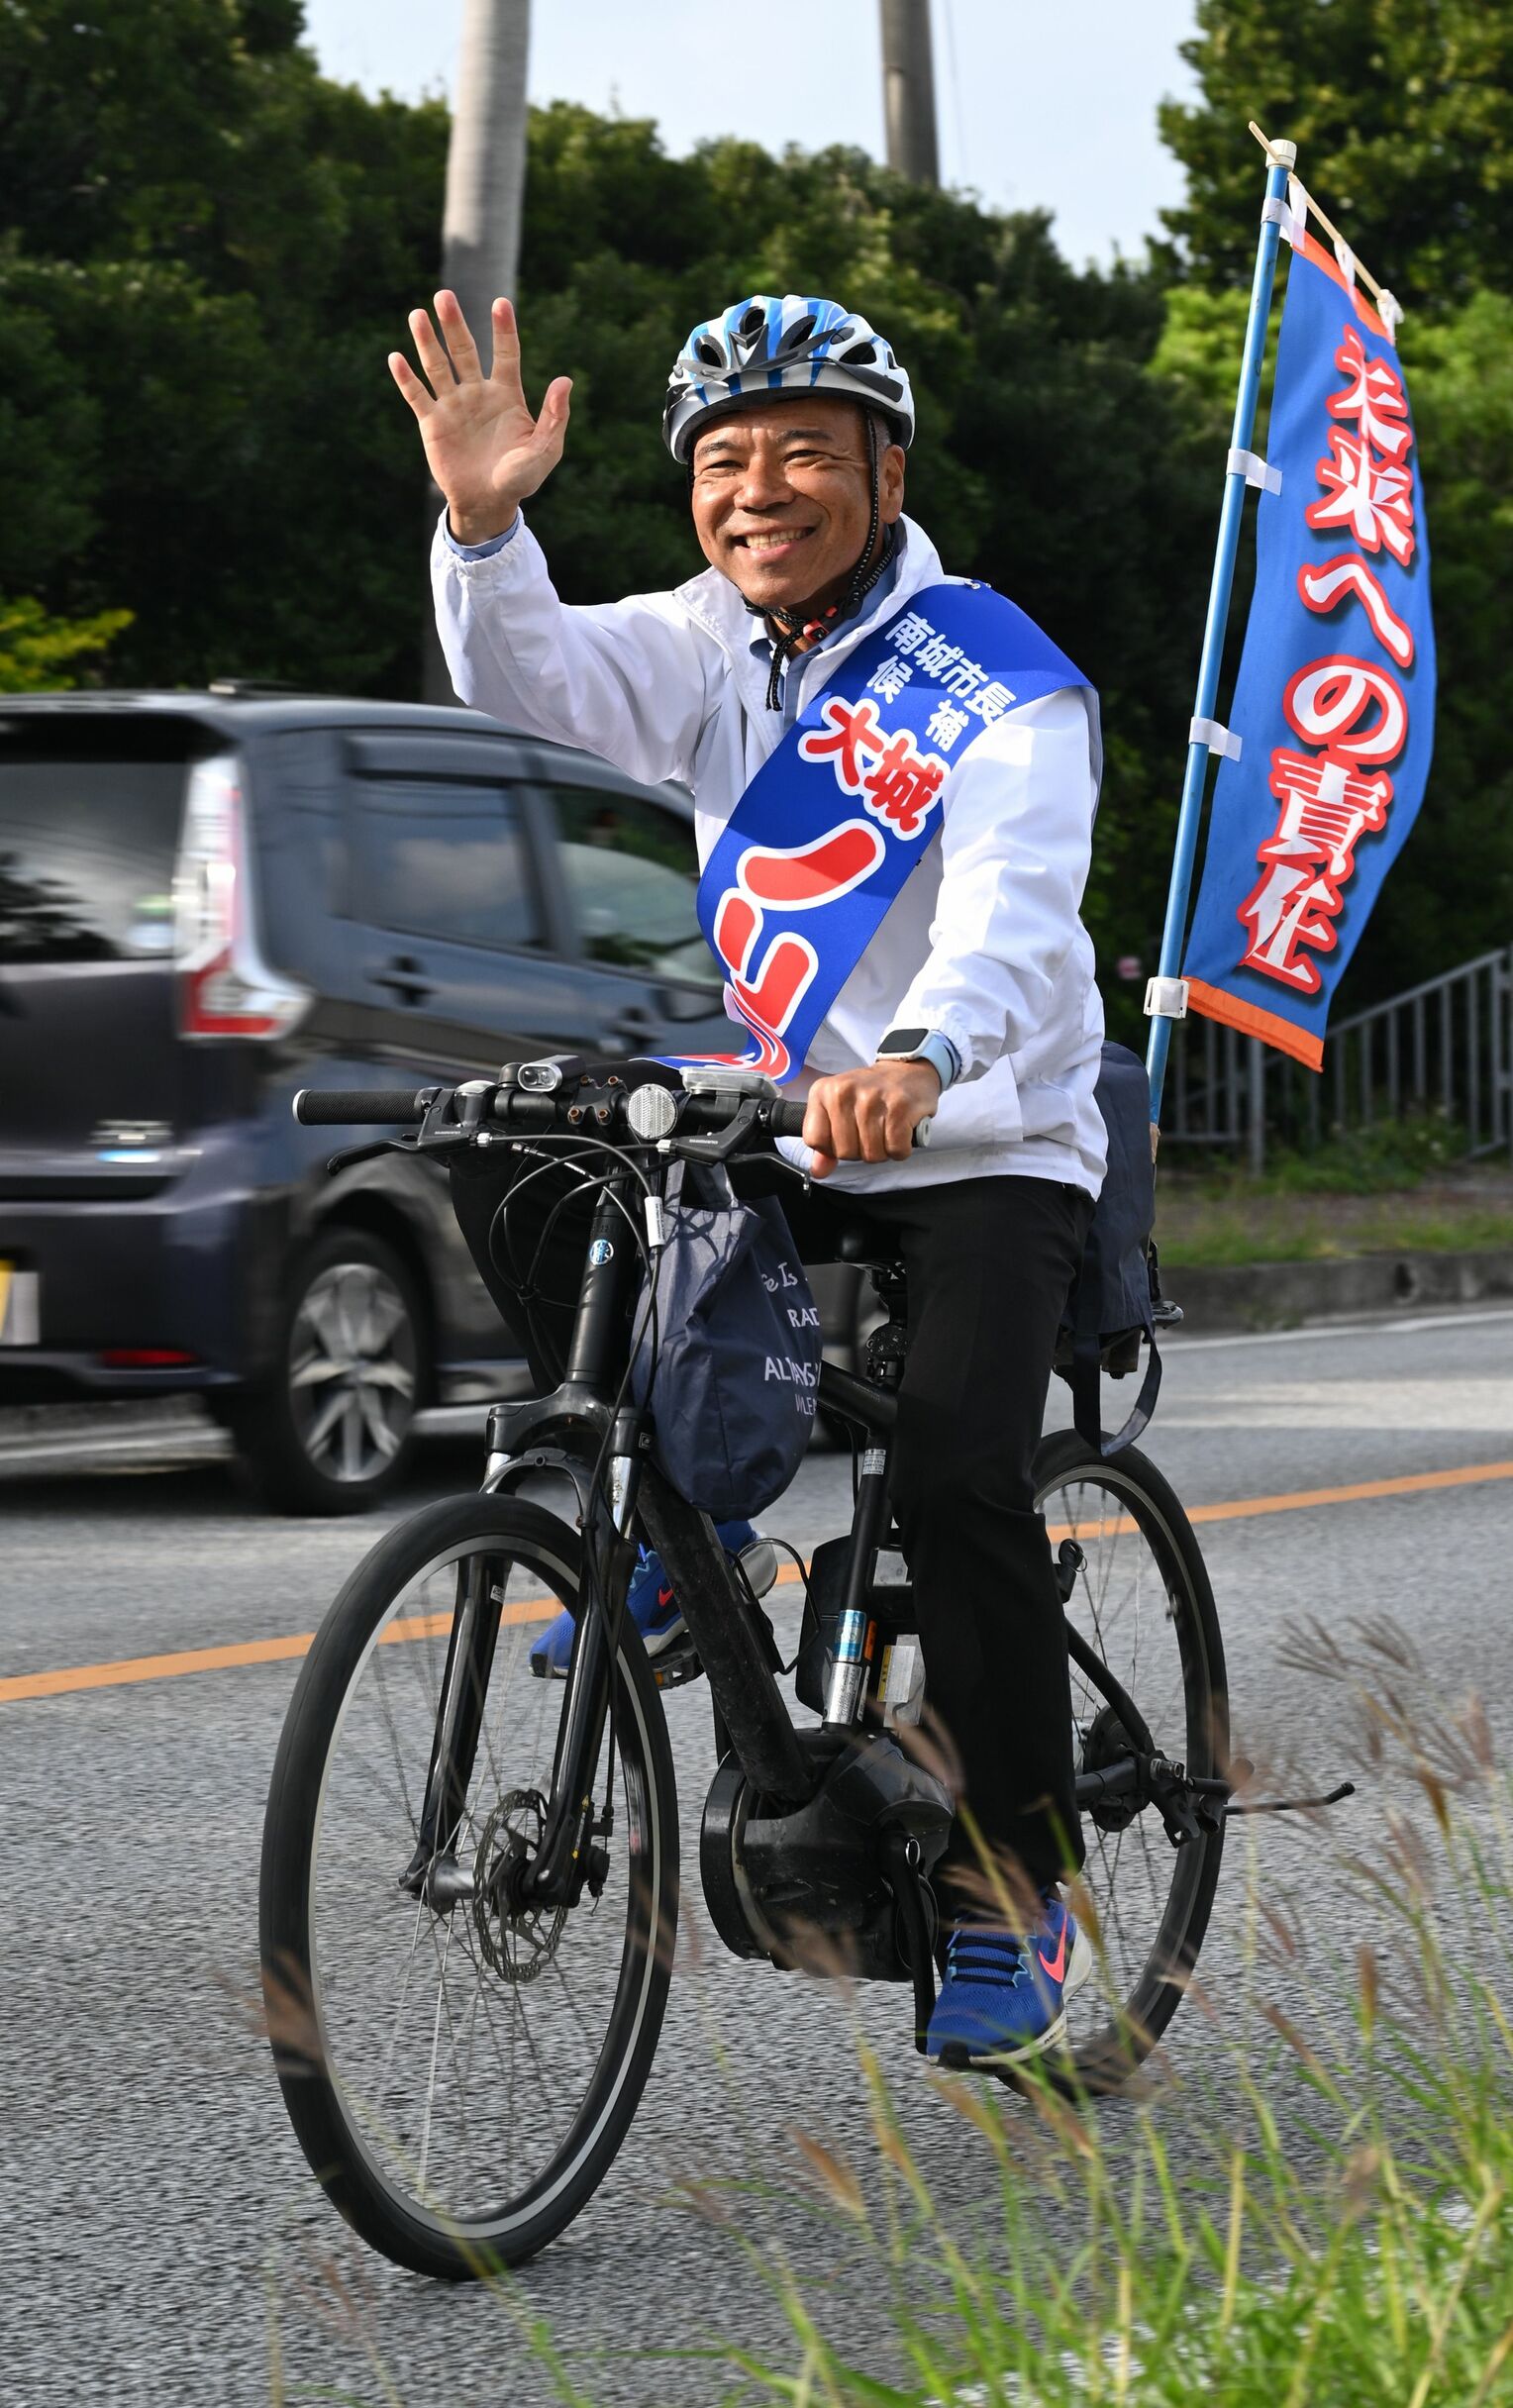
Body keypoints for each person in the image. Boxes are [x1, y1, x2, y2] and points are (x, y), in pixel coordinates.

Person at [391, 288, 1107, 2068]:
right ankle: (682, 1544)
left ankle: (1018, 1894)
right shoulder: (712, 641)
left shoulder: (996, 672)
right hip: (792, 1109)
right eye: (725, 461)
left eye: (802, 453)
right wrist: (485, 529)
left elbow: (1017, 907)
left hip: (985, 1130)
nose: (760, 490)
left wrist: (924, 1056)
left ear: (886, 468)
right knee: (534, 1149)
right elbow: (540, 677)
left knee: (956, 1481)